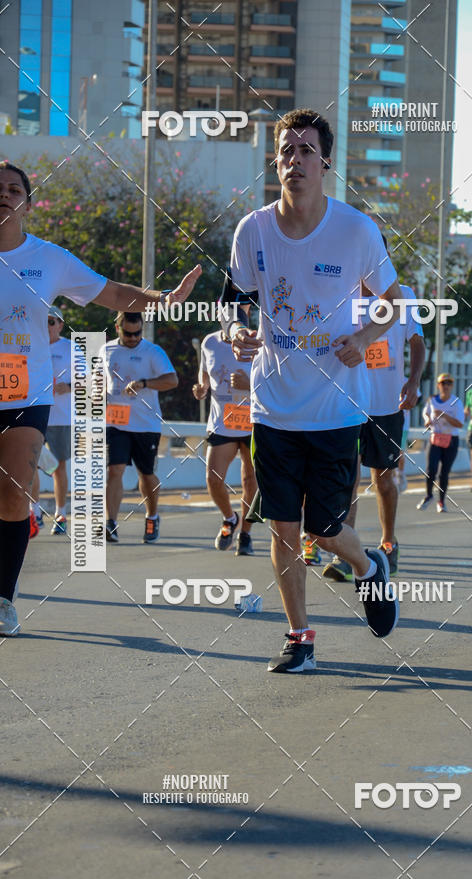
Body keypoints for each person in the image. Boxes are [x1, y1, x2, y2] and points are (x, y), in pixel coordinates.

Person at [221, 108, 414, 673]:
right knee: (283, 526)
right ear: (275, 161)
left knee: (323, 528)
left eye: (306, 150)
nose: (294, 160)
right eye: (286, 150)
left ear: (325, 161)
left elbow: (396, 302)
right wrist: (237, 330)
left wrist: (366, 334)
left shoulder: (355, 229)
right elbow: (236, 297)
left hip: (334, 408)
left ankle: (370, 566)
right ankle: (300, 637)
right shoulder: (252, 229)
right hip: (273, 406)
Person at [0, 161, 201, 636]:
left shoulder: (49, 259)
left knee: (13, 493)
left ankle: (3, 598)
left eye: (14, 189)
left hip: (25, 394)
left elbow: (111, 293)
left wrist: (164, 299)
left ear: (28, 204)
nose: (4, 194)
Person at [322, 279, 425, 582]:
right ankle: (345, 555)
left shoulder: (403, 294)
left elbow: (417, 341)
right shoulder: (340, 292)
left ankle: (389, 543)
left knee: (383, 481)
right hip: (348, 403)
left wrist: (414, 381)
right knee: (347, 478)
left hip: (387, 403)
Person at [101, 311, 178, 544]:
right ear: (117, 328)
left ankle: (152, 516)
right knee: (114, 470)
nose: (133, 338)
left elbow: (172, 380)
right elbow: (99, 380)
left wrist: (144, 383)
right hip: (116, 422)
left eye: (137, 333)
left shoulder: (153, 352)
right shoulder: (106, 350)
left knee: (145, 474)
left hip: (146, 424)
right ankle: (111, 523)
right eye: (128, 333)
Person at [193, 324, 258, 555]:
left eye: (244, 308)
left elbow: (274, 380)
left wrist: (248, 385)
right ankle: (230, 518)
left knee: (250, 481)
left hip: (254, 420)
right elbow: (204, 374)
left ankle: (246, 534)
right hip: (222, 422)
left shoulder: (259, 339)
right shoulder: (209, 342)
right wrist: (202, 388)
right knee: (213, 478)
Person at [44, 306, 74, 534]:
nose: (47, 326)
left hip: (60, 417)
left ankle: (60, 514)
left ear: (61, 325)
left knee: (58, 467)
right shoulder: (30, 344)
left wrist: (69, 386)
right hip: (31, 413)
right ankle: (32, 512)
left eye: (52, 322)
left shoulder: (70, 348)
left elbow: (88, 380)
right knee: (27, 466)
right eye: (44, 321)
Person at [417, 373, 464, 513]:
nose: (446, 386)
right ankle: (428, 495)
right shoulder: (432, 400)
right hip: (435, 438)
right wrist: (427, 420)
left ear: (452, 386)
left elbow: (460, 424)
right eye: (443, 383)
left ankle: (441, 501)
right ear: (438, 385)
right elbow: (426, 413)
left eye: (449, 383)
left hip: (451, 440)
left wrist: (444, 415)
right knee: (431, 469)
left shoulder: (456, 402)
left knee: (444, 472)